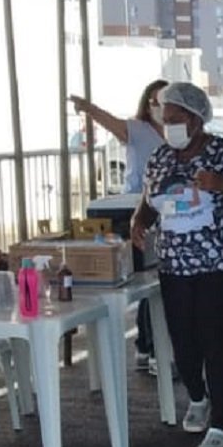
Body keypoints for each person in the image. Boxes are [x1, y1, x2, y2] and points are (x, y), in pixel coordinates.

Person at [130, 82, 223, 447]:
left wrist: (221, 184)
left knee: (214, 340)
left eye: (176, 119)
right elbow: (150, 200)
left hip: (222, 263)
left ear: (197, 119)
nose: (169, 125)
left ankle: (220, 423)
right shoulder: (159, 158)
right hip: (175, 265)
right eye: (164, 118)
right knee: (183, 342)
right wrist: (138, 221)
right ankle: (198, 397)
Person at [71, 79, 168, 372]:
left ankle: (150, 345)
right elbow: (111, 123)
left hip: (166, 209)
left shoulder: (178, 133)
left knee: (156, 281)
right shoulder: (136, 129)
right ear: (148, 103)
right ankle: (148, 346)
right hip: (136, 207)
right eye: (156, 101)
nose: (161, 107)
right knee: (146, 278)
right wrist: (88, 108)